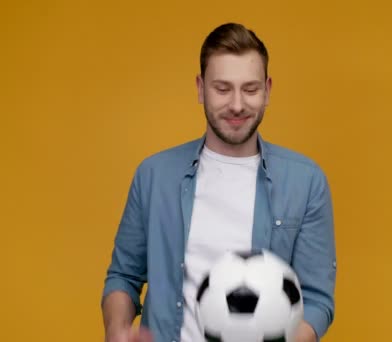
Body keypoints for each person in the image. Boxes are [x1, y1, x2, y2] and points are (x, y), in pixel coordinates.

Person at [102, 22, 336, 342]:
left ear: (267, 90)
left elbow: (317, 299)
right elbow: (123, 276)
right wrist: (117, 331)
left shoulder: (306, 182)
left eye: (250, 89)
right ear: (200, 88)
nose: (237, 105)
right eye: (222, 89)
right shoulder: (154, 175)